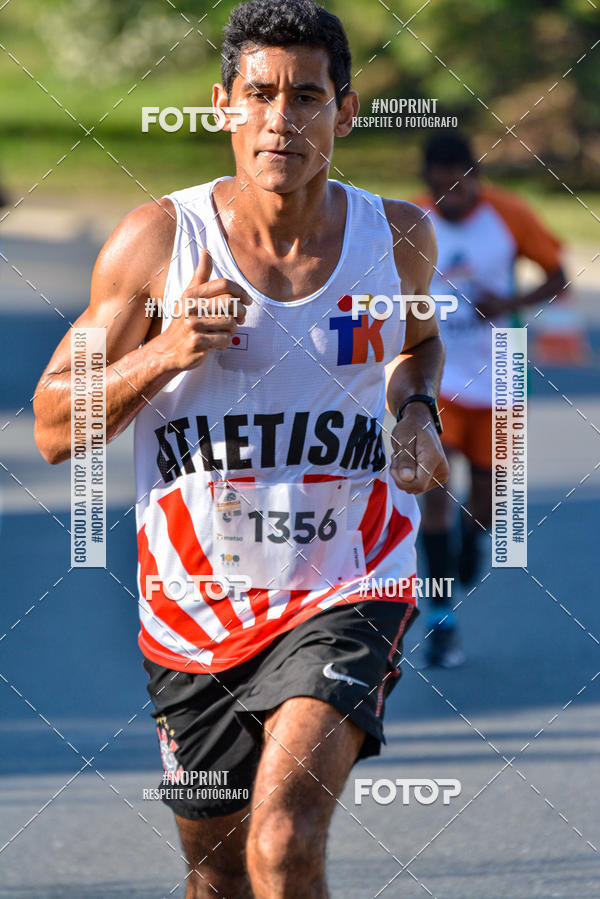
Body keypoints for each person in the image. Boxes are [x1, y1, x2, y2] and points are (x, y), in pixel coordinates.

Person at [33, 1, 449, 895]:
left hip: (350, 578)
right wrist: (168, 349)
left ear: (345, 111)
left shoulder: (397, 237)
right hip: (194, 608)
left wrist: (418, 415)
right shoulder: (159, 242)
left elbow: (417, 347)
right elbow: (54, 426)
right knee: (218, 872)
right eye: (259, 94)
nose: (279, 120)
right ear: (223, 104)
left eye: (306, 97)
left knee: (284, 839)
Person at [413, 131, 567, 668]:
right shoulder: (410, 221)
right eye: (441, 191)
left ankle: (471, 537)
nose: (451, 201)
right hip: (432, 377)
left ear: (477, 180)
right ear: (427, 184)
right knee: (434, 496)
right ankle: (440, 620)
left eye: (460, 189)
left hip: (500, 373)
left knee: (486, 505)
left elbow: (558, 275)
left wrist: (510, 301)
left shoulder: (509, 214)